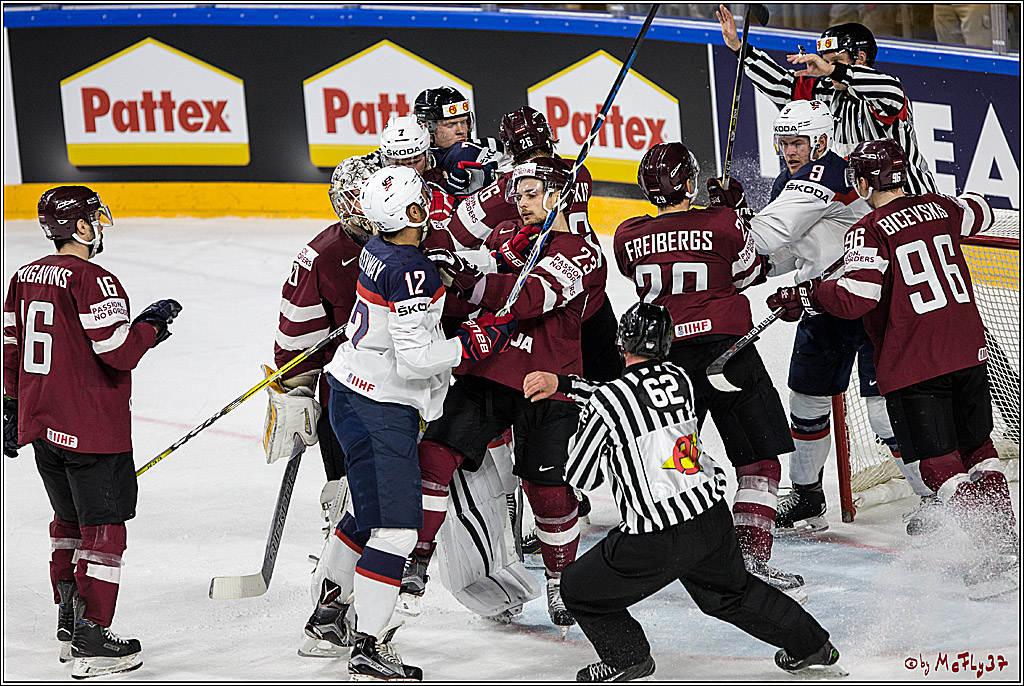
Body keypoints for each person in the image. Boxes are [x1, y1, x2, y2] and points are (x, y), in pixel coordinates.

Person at [523, 303, 843, 681]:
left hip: (656, 536)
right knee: (730, 594)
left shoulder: (607, 403)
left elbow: (584, 475)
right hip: (709, 518)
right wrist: (563, 386)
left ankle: (628, 658)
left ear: (621, 341)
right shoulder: (679, 378)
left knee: (577, 589)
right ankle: (812, 644)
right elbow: (622, 396)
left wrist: (579, 431)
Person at [769, 138, 1019, 600]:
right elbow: (980, 208)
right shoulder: (942, 207)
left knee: (941, 466)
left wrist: (806, 295)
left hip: (915, 360)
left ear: (863, 183)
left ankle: (997, 553)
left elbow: (856, 299)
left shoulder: (867, 230)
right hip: (968, 349)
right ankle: (1006, 541)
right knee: (979, 449)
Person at [309, 165, 515, 680]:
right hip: (379, 407)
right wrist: (472, 343)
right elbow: (417, 357)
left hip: (351, 395)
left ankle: (328, 614)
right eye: (422, 202)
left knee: (363, 513)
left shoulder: (380, 251)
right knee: (398, 530)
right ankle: (368, 645)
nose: (429, 207)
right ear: (411, 213)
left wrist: (434, 270)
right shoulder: (410, 271)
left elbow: (408, 294)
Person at [714, 100, 938, 537]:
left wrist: (731, 217)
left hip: (872, 304)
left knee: (883, 412)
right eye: (784, 143)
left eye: (798, 142)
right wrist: (755, 271)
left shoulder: (827, 174)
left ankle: (930, 496)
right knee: (807, 401)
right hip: (821, 304)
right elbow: (784, 253)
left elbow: (767, 234)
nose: (789, 151)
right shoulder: (790, 180)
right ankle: (808, 498)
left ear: (820, 140)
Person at [403, 158, 602, 636]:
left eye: (533, 193)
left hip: (546, 383)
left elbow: (528, 297)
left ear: (558, 196)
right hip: (488, 373)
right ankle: (418, 558)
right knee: (433, 455)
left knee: (547, 491)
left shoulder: (581, 251)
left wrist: (467, 282)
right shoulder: (505, 239)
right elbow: (466, 278)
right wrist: (440, 275)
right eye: (519, 194)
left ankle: (561, 580)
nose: (521, 201)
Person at [2, 186, 181, 679]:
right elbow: (118, 351)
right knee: (103, 530)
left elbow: (11, 346)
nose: (99, 226)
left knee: (67, 521)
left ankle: (69, 620)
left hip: (43, 426)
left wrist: (10, 405)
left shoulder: (22, 277)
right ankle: (93, 636)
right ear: (80, 227)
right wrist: (152, 324)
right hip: (92, 429)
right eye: (94, 219)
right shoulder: (95, 280)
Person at [614, 141, 806, 600]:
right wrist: (733, 210)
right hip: (727, 352)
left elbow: (632, 269)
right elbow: (749, 273)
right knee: (757, 459)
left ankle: (672, 557)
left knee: (675, 461)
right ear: (692, 180)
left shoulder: (626, 234)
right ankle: (751, 560)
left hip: (666, 360)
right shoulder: (721, 223)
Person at [265, 153, 376, 659]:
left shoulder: (414, 232)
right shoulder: (323, 256)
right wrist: (292, 391)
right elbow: (295, 335)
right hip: (348, 395)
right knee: (352, 500)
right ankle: (334, 605)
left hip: (408, 392)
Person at [716, 5, 937, 195]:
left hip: (913, 201)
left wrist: (831, 70)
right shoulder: (827, 91)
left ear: (860, 58)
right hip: (864, 207)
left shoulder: (886, 91)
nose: (826, 68)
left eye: (836, 60)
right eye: (825, 61)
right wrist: (739, 48)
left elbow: (888, 88)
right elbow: (781, 85)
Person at [413, 86, 512, 197]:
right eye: (450, 125)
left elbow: (519, 175)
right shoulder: (413, 159)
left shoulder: (490, 146)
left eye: (464, 122)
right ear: (427, 129)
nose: (461, 131)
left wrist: (494, 176)